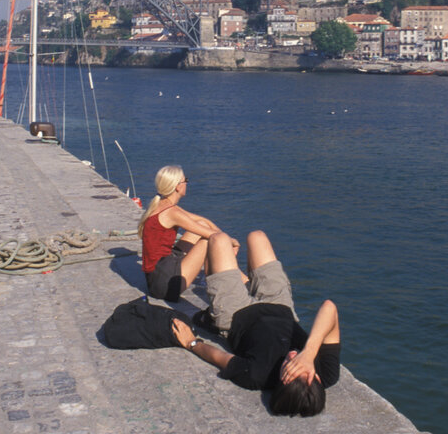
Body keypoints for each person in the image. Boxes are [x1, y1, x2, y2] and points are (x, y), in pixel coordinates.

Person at [171, 230, 341, 417]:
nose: (293, 356)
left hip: (236, 313)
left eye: (289, 366)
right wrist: (309, 353)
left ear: (282, 380)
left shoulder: (257, 375)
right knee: (256, 237)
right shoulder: (327, 373)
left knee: (219, 240)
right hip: (279, 304)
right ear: (315, 377)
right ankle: (243, 279)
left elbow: (218, 357)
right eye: (300, 365)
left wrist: (191, 343)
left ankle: (226, 277)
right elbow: (329, 308)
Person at [138, 165, 233, 303]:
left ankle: (214, 280)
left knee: (205, 228)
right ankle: (220, 287)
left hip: (159, 273)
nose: (187, 183)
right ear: (178, 186)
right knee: (208, 241)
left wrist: (222, 235)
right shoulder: (172, 212)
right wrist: (234, 243)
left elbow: (202, 221)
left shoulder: (165, 205)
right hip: (164, 285)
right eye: (185, 180)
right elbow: (213, 236)